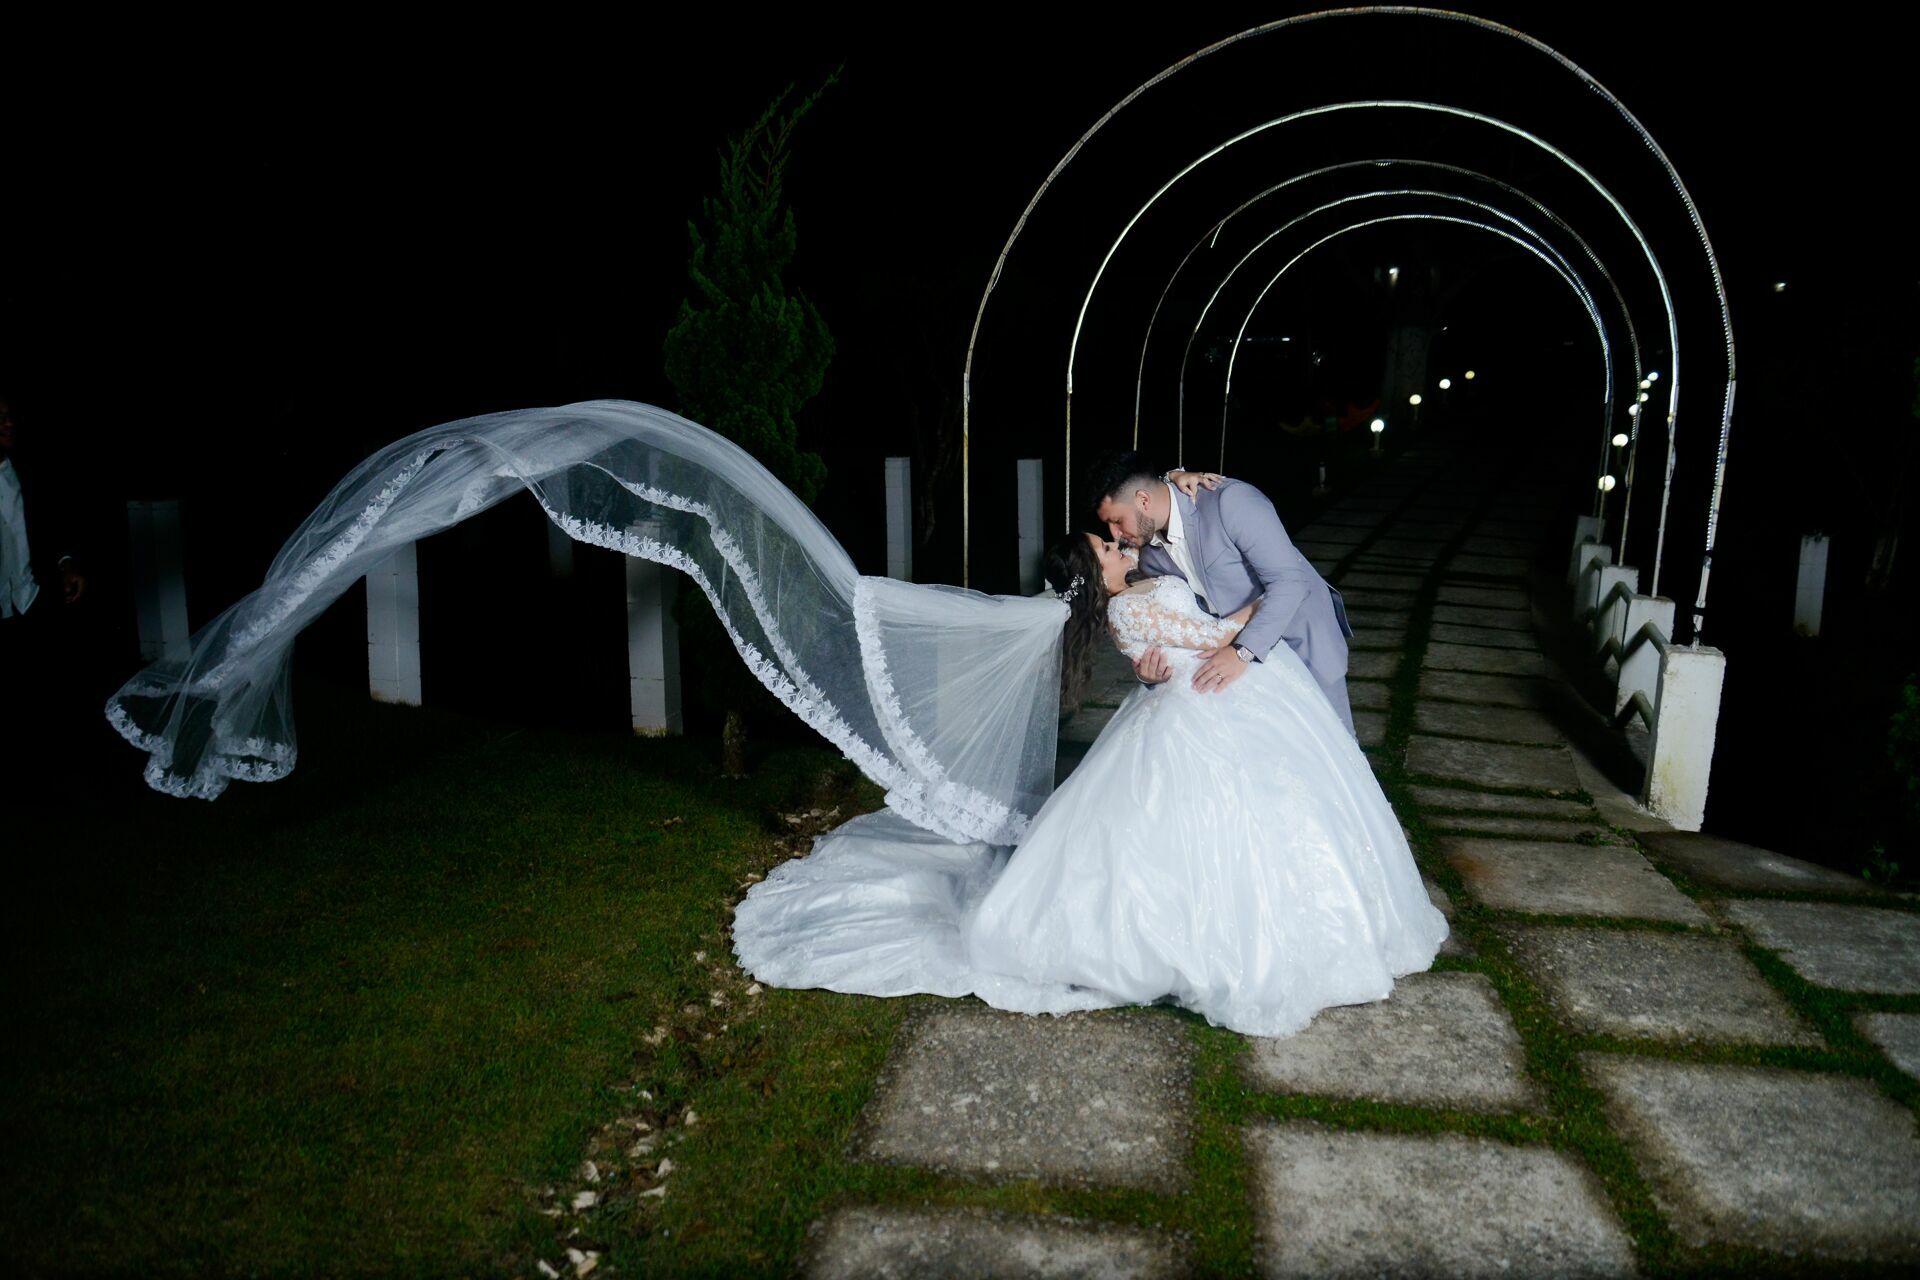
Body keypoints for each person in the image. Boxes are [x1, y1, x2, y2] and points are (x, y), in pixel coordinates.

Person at [1090, 449, 1355, 733]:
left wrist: (1242, 652)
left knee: (1334, 743)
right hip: (1239, 667)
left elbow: (1290, 581)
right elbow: (1171, 625)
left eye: (1117, 521)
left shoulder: (1229, 502)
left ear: (1143, 500)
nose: (1114, 535)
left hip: (1299, 636)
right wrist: (1149, 676)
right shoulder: (1149, 555)